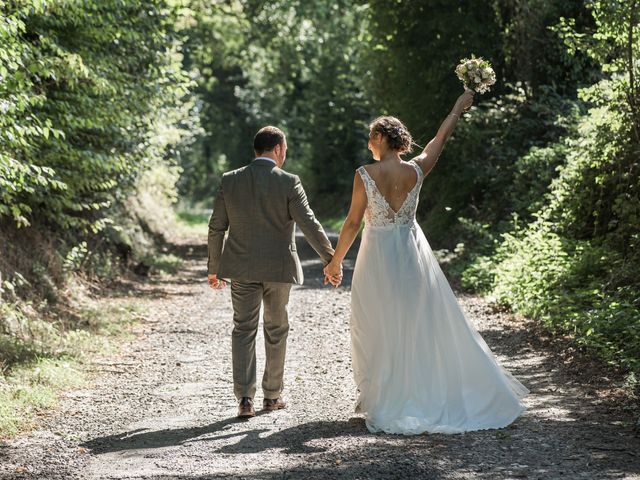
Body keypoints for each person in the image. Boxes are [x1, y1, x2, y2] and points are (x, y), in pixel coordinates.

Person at [323, 90, 529, 434]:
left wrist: (335, 262)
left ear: (380, 137)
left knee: (376, 322)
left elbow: (353, 223)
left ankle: (384, 396)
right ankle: (412, 392)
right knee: (415, 323)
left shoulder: (364, 174)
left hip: (377, 258)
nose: (368, 142)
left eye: (371, 136)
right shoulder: (417, 170)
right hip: (411, 253)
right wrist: (456, 107)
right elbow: (440, 138)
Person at [207, 126, 341, 418]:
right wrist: (332, 259)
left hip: (241, 268)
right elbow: (310, 223)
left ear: (257, 150)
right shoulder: (289, 182)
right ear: (279, 149)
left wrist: (214, 268)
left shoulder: (231, 180)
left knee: (243, 328)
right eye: (286, 148)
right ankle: (272, 396)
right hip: (279, 269)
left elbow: (217, 226)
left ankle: (244, 399)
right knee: (276, 328)